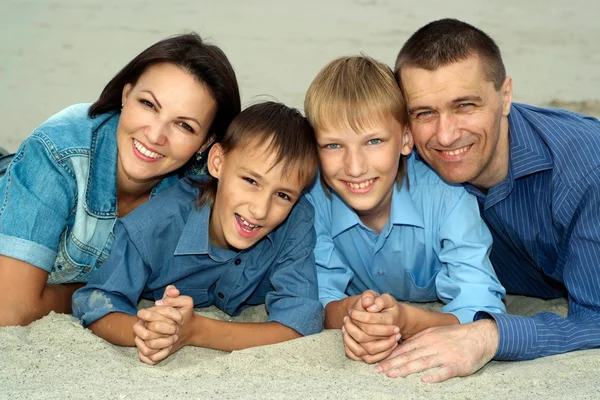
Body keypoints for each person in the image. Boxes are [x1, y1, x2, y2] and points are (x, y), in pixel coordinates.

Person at [373, 18, 600, 383]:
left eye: (465, 105)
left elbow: (596, 317)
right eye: (424, 113)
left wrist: (491, 335)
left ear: (505, 96)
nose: (445, 135)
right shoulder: (400, 162)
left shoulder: (585, 171)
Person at [0, 33, 241, 326]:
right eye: (149, 104)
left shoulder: (199, 182)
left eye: (184, 125)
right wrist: (89, 293)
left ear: (206, 143)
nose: (155, 135)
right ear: (126, 95)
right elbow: (13, 308)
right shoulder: (59, 151)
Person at [72, 101, 324, 365]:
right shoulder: (153, 227)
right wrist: (150, 332)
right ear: (217, 163)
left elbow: (299, 323)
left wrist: (197, 331)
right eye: (251, 181)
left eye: (283, 195)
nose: (260, 210)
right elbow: (96, 303)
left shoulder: (296, 220)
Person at [303, 55, 506, 364]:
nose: (354, 167)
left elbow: (482, 306)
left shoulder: (446, 196)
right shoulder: (314, 200)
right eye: (333, 145)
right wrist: (354, 315)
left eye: (373, 141)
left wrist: (408, 321)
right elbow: (319, 297)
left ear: (406, 139)